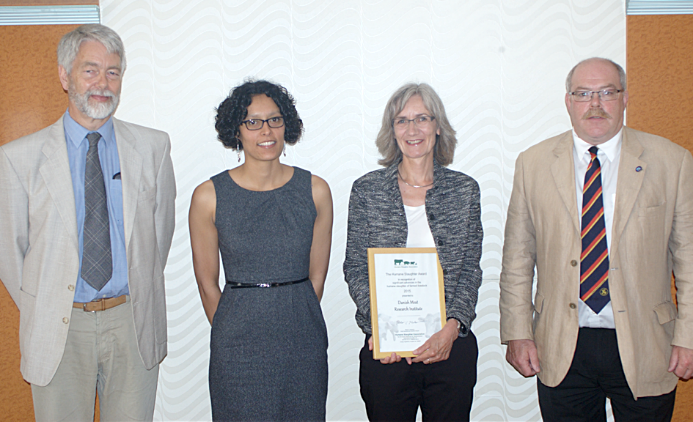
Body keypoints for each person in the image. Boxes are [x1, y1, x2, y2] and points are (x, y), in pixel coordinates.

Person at [499, 57, 693, 421]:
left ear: (624, 97)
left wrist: (689, 336)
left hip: (647, 342)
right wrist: (517, 331)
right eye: (583, 93)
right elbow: (517, 260)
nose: (595, 104)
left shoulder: (672, 162)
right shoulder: (534, 164)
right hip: (561, 344)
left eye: (607, 92)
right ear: (568, 101)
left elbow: (690, 260)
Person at [0, 24, 176, 421]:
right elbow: (11, 256)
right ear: (65, 76)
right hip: (59, 329)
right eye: (90, 70)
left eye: (113, 72)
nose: (103, 83)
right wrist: (48, 300)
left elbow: (158, 237)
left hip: (131, 323)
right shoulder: (19, 159)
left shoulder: (153, 148)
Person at [189, 79, 333, 421]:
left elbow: (318, 277)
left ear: (287, 125)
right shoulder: (208, 196)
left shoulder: (316, 191)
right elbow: (207, 283)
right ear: (236, 130)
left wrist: (292, 318)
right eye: (252, 122)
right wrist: (233, 328)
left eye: (274, 119)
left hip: (302, 340)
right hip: (237, 345)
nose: (265, 130)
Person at [343, 83, 483, 421]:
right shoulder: (367, 190)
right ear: (392, 131)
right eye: (402, 120)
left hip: (450, 347)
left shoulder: (464, 190)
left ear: (437, 126)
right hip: (386, 350)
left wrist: (452, 328)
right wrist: (381, 326)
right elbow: (355, 268)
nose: (413, 129)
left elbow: (471, 269)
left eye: (422, 118)